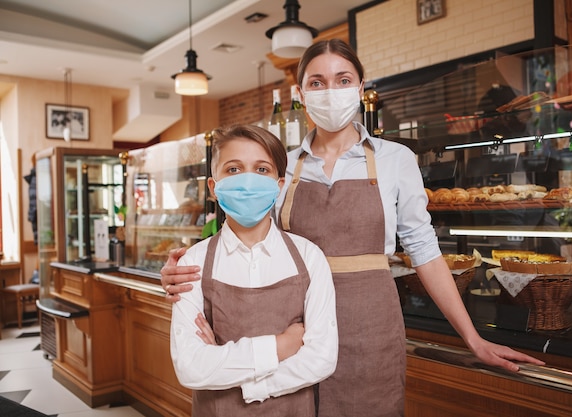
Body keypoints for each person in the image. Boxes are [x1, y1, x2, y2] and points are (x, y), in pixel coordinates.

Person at [162, 39, 544, 417]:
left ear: (361, 88)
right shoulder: (281, 167)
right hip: (291, 326)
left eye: (343, 80)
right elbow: (248, 232)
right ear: (301, 93)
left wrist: (472, 337)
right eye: (317, 82)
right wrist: (187, 269)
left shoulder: (395, 159)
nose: (331, 91)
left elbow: (424, 250)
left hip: (370, 323)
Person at [169, 124, 338, 417]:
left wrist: (246, 383)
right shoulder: (191, 264)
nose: (247, 181)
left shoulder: (309, 257)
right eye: (234, 170)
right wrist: (281, 346)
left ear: (279, 184)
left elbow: (321, 359)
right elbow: (190, 367)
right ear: (213, 186)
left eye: (261, 170)